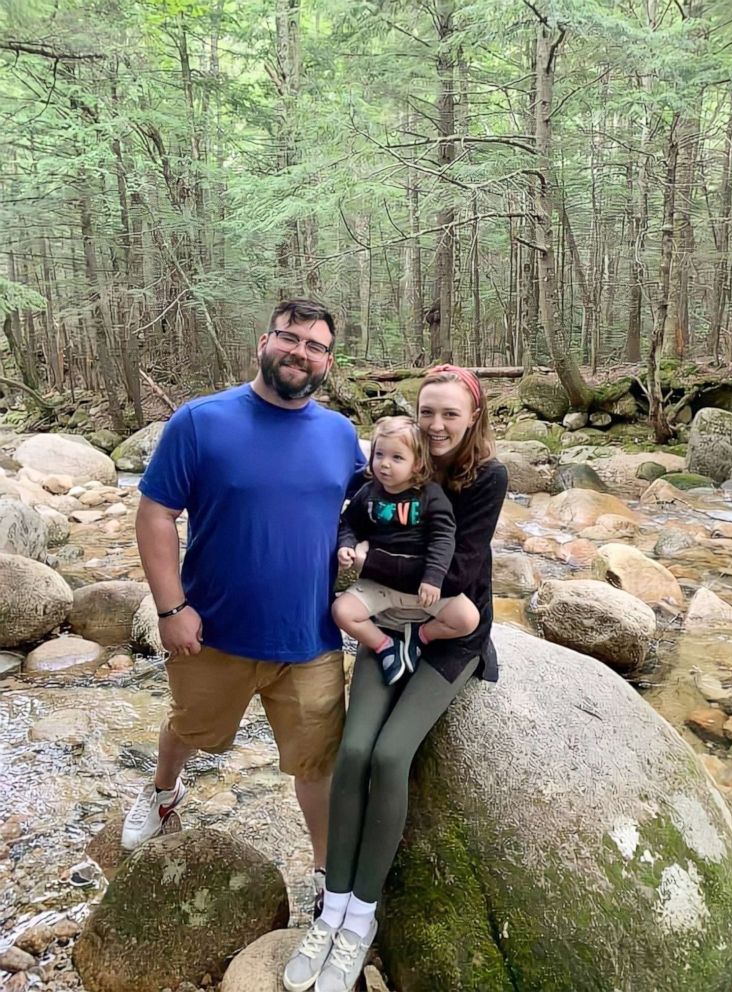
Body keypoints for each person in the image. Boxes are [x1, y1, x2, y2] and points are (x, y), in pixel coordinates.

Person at [121, 299, 366, 916]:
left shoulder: (340, 435)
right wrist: (170, 606)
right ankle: (161, 792)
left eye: (315, 346)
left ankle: (324, 873)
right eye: (291, 338)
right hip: (213, 632)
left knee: (316, 763)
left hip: (310, 638)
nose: (300, 353)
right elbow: (154, 513)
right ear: (264, 341)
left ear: (328, 363)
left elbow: (369, 514)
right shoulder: (201, 421)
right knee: (189, 727)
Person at [283, 365, 508, 992]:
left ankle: (362, 920)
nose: (437, 426)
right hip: (390, 621)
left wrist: (366, 561)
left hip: (446, 633)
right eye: (427, 412)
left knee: (389, 754)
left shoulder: (486, 476)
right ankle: (333, 909)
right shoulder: (397, 458)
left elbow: (459, 576)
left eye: (450, 415)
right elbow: (347, 508)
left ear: (473, 419)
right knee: (352, 750)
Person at [333, 415, 480, 685]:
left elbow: (444, 537)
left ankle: (420, 637)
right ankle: (385, 645)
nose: (384, 464)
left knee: (468, 619)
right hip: (380, 585)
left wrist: (433, 578)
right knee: (342, 611)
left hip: (424, 589)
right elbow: (348, 523)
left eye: (397, 458)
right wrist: (346, 546)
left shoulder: (430, 496)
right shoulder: (368, 493)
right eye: (379, 454)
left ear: (418, 464)